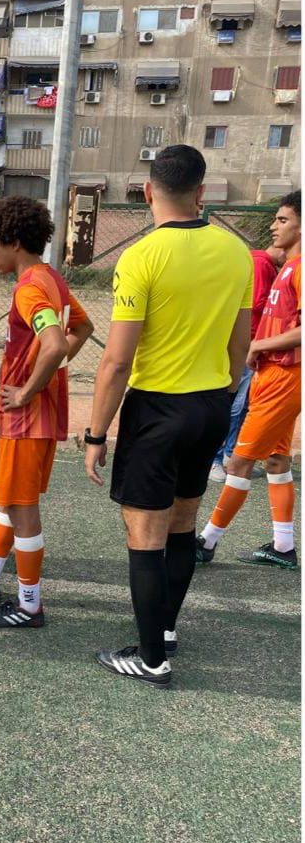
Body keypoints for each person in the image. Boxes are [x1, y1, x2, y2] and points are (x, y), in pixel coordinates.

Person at [84, 145, 253, 687]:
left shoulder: (142, 256)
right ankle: (165, 627)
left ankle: (152, 658)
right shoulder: (237, 253)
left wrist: (94, 433)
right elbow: (241, 343)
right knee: (182, 525)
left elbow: (117, 361)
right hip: (211, 404)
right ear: (201, 192)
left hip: (157, 409)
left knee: (145, 533)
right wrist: (224, 392)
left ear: (148, 191)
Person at [0, 197, 93, 627]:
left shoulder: (30, 287)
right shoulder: (52, 278)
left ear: (14, 242)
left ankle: (30, 605)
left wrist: (29, 390)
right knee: (11, 498)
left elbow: (54, 343)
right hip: (44, 413)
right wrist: (49, 375)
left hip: (27, 415)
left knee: (21, 506)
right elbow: (82, 327)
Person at [197, 191, 301, 569]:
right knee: (276, 460)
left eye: (283, 220)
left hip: (284, 376)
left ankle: (206, 542)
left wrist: (258, 344)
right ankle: (283, 546)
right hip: (275, 374)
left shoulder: (300, 267)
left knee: (239, 462)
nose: (273, 226)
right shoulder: (287, 266)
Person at [208, 244, 283, 482]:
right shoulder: (260, 263)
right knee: (234, 404)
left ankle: (230, 455)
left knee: (244, 406)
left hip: (253, 345)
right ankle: (214, 459)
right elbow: (255, 306)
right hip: (247, 345)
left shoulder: (266, 265)